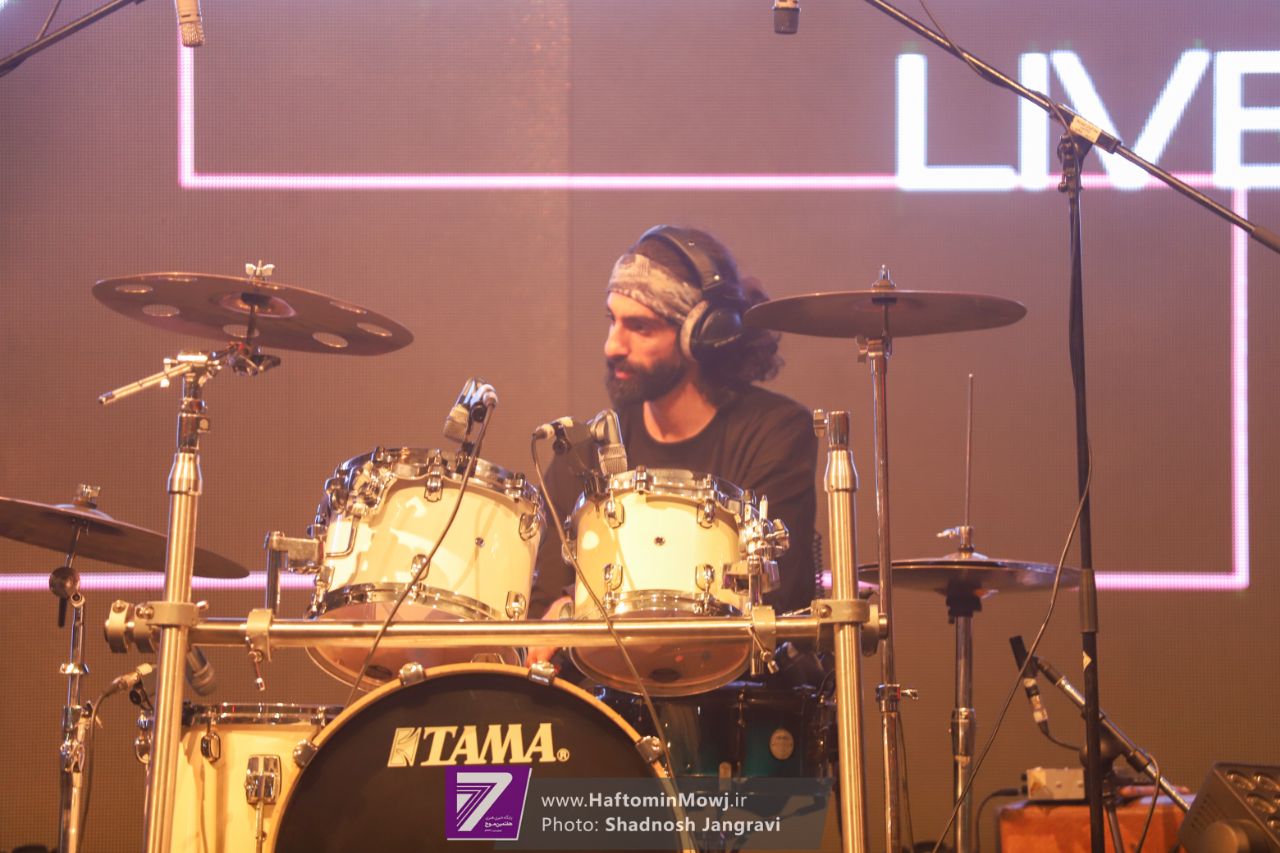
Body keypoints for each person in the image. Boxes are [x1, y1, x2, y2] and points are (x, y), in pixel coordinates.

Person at [528, 225, 818, 641]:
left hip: (737, 676)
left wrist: (580, 607)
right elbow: (539, 615)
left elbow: (770, 595)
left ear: (702, 336)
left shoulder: (776, 431)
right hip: (600, 681)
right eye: (612, 320)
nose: (613, 346)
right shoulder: (586, 451)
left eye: (640, 327)